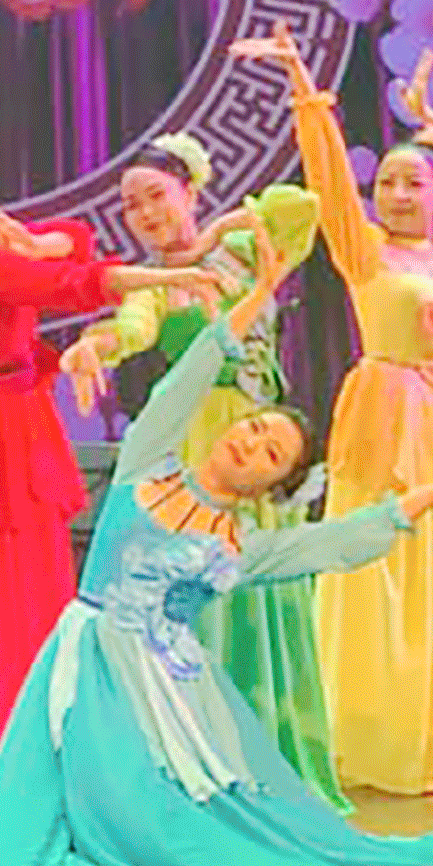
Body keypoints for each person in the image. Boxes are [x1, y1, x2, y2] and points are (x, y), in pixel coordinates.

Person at [0, 224, 433, 866]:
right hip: (88, 651)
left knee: (169, 827)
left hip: (166, 682)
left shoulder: (237, 546)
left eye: (271, 455)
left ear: (272, 487)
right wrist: (260, 290)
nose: (251, 445)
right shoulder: (148, 464)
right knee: (39, 819)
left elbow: (333, 542)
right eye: (255, 429)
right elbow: (194, 371)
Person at [0, 90, 225, 754]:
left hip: (14, 415)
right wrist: (160, 278)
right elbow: (57, 286)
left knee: (27, 579)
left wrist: (40, 238)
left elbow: (68, 246)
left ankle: (35, 721)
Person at [233, 26, 433, 797]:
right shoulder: (365, 252)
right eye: (387, 182)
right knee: (381, 565)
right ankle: (376, 736)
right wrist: (304, 88)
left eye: (413, 183)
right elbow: (328, 178)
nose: (396, 193)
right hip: (386, 409)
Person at [58, 132, 346, 810]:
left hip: (261, 439)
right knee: (201, 597)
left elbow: (300, 208)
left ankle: (271, 750)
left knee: (264, 593)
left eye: (157, 195)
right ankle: (197, 748)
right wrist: (89, 347)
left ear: (190, 190)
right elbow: (127, 329)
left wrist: (218, 230)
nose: (146, 213)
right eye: (132, 206)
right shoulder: (157, 289)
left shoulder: (244, 254)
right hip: (201, 453)